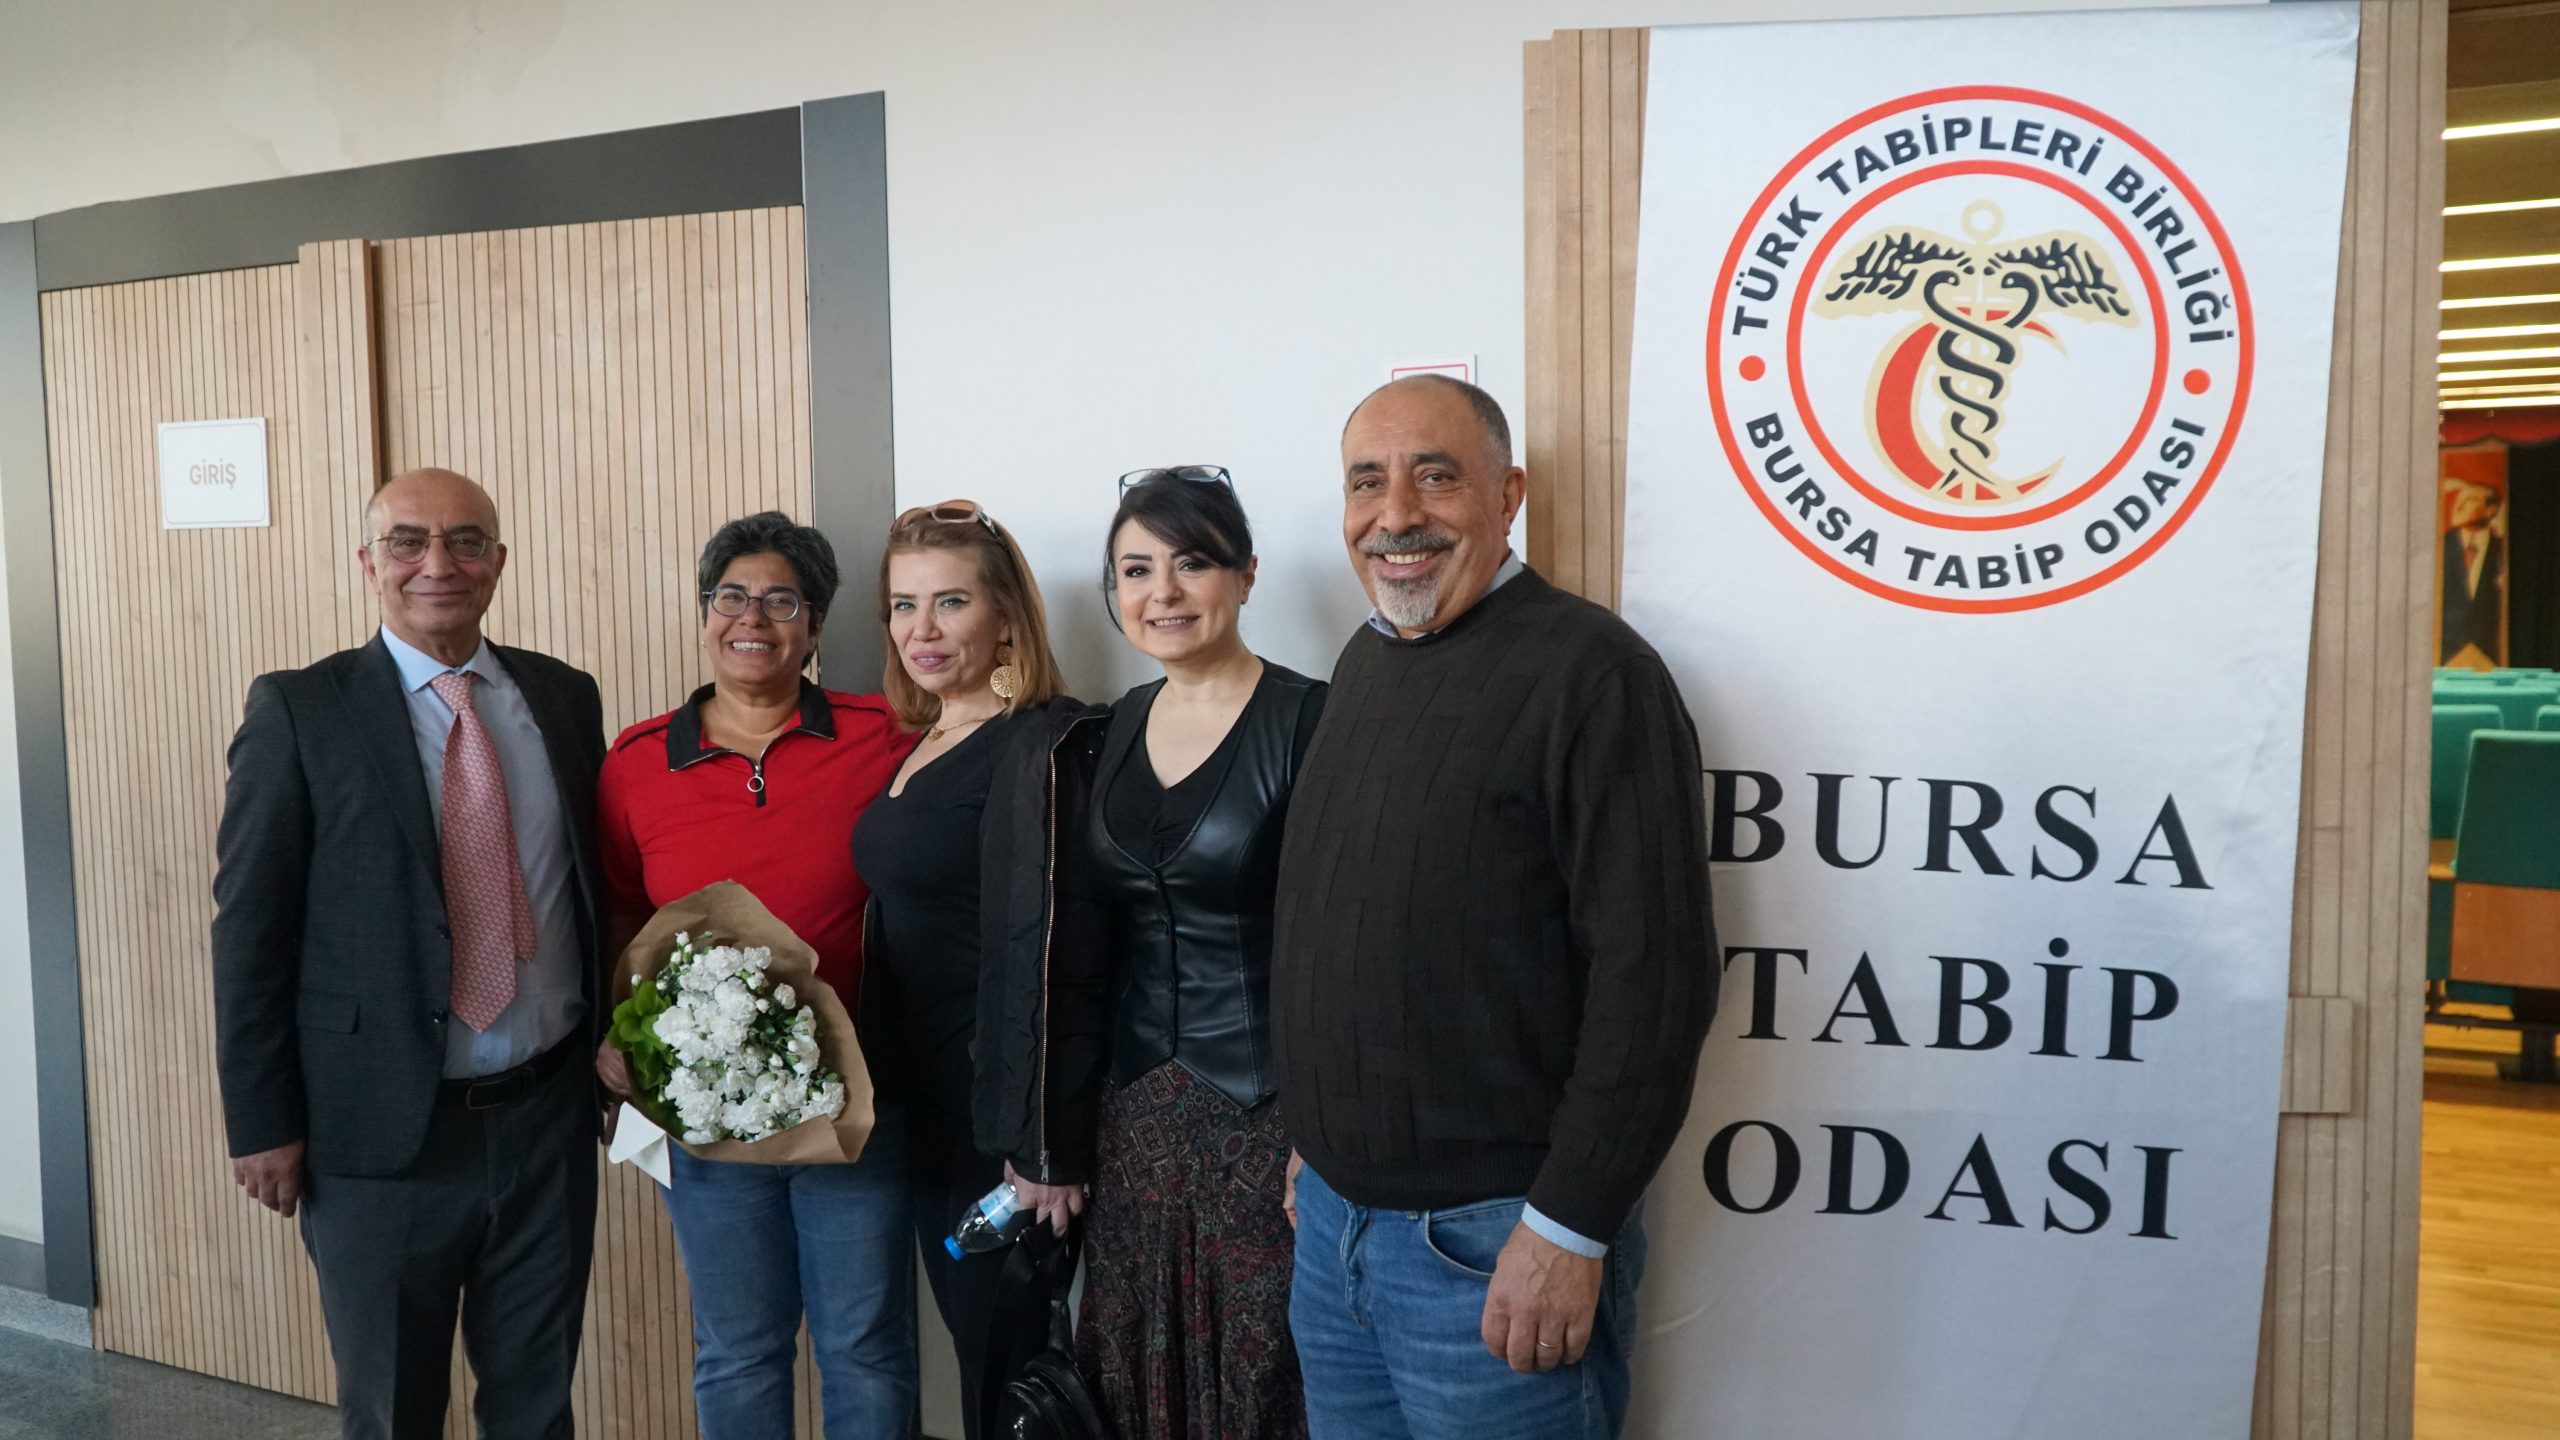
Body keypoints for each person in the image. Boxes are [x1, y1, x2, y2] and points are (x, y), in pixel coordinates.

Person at [1273, 376, 1720, 1440]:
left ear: (1507, 495)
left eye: (1435, 477)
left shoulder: (1593, 675)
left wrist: (1568, 1229)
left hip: (1489, 1252)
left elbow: (1656, 983)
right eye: (1366, 483)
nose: (1395, 516)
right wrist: (1318, 1138)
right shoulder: (1365, 660)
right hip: (1334, 1231)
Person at [212, 467, 605, 1440]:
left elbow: (593, 890)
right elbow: (250, 929)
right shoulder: (301, 711)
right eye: (408, 542)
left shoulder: (563, 698)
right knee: (392, 1412)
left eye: (466, 541)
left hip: (546, 1120)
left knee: (536, 1405)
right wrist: (261, 1119)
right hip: (378, 1135)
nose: (439, 563)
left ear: (498, 562)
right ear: (368, 562)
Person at [986, 469, 1324, 1439]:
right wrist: (1051, 1130)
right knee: (1130, 1377)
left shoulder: (1314, 720)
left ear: (1246, 574)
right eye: (1135, 570)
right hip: (1132, 1120)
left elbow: (1338, 947)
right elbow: (1075, 950)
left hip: (1269, 1124)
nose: (1162, 592)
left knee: (1263, 1376)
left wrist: (1321, 1134)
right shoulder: (1104, 732)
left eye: (1192, 563)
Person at [593, 512, 914, 1438]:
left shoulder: (883, 736)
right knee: (738, 1347)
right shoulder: (637, 763)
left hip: (855, 1105)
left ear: (815, 628)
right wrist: (619, 1038)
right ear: (704, 615)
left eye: (781, 601)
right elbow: (619, 914)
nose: (752, 619)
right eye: (730, 597)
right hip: (705, 1118)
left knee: (864, 1345)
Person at [850, 499, 1086, 1440]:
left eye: (951, 602)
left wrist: (1040, 1145)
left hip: (1000, 1128)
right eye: (904, 606)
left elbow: (1063, 949)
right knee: (977, 1347)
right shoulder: (922, 743)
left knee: (1009, 1371)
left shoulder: (1042, 740)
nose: (923, 629)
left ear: (1006, 619)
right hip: (925, 1113)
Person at [2441, 478, 2506, 664]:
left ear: (2491, 510)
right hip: (2444, 660)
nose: (2459, 505)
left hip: (2490, 660)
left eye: (2470, 499)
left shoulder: (2503, 551)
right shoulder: (2438, 548)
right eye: (2458, 499)